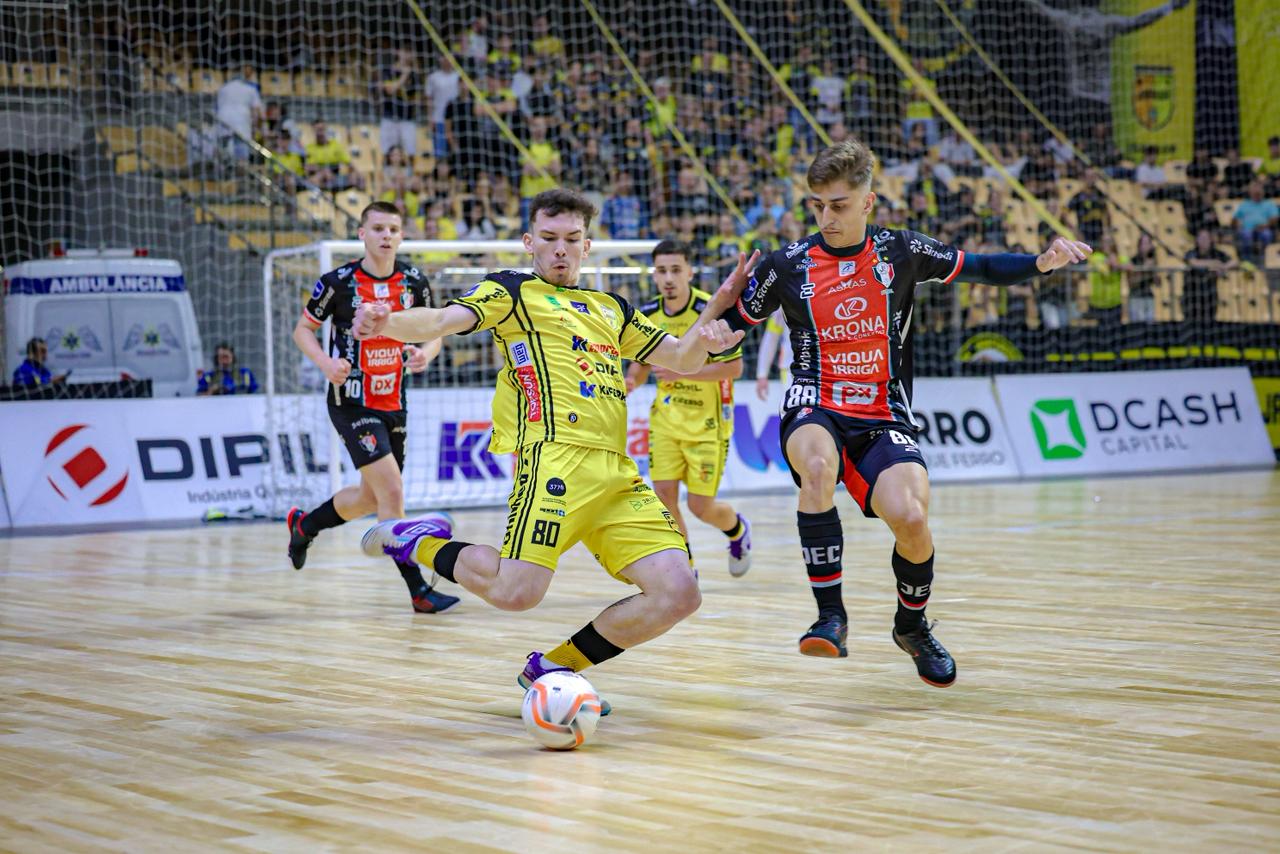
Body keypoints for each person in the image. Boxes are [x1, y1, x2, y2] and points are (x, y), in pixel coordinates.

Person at [354, 189, 752, 714]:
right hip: (554, 460)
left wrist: (715, 326)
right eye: (548, 239)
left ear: (588, 247)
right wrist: (387, 324)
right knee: (516, 593)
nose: (560, 250)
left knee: (680, 593)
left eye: (571, 240)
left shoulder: (612, 308)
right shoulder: (512, 291)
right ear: (529, 243)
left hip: (615, 472)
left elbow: (679, 356)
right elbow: (441, 321)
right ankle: (417, 540)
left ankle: (554, 667)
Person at [720, 139, 1090, 686]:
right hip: (813, 402)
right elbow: (731, 325)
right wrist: (710, 323)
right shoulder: (788, 264)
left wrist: (1041, 263)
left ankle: (911, 628)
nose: (826, 217)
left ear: (868, 203)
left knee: (913, 519)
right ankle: (831, 617)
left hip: (883, 413)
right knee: (817, 470)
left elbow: (980, 266)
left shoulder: (901, 251)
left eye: (839, 205)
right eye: (817, 205)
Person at [286, 200, 457, 614]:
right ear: (362, 234)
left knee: (369, 497)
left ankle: (304, 525)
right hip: (352, 401)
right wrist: (326, 363)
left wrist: (426, 353)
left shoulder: (414, 280)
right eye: (377, 228)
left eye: (393, 229)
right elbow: (303, 329)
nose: (386, 236)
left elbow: (434, 328)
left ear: (401, 236)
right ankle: (418, 591)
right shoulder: (339, 281)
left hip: (394, 400)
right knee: (393, 493)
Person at [625, 239, 753, 577]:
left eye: (676, 270)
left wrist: (688, 367)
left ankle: (737, 531)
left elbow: (734, 369)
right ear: (654, 275)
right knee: (664, 496)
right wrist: (627, 383)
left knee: (700, 506)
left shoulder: (708, 310)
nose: (668, 278)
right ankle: (686, 569)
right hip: (666, 420)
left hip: (708, 424)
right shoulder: (648, 315)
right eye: (662, 271)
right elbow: (640, 366)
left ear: (690, 272)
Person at [379, 48, 421, 157]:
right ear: (398, 52)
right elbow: (389, 90)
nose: (408, 55)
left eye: (410, 52)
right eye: (405, 51)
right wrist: (404, 76)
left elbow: (415, 98)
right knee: (387, 152)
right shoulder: (388, 71)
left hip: (407, 119)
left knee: (410, 151)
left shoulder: (414, 75)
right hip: (389, 117)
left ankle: (409, 173)